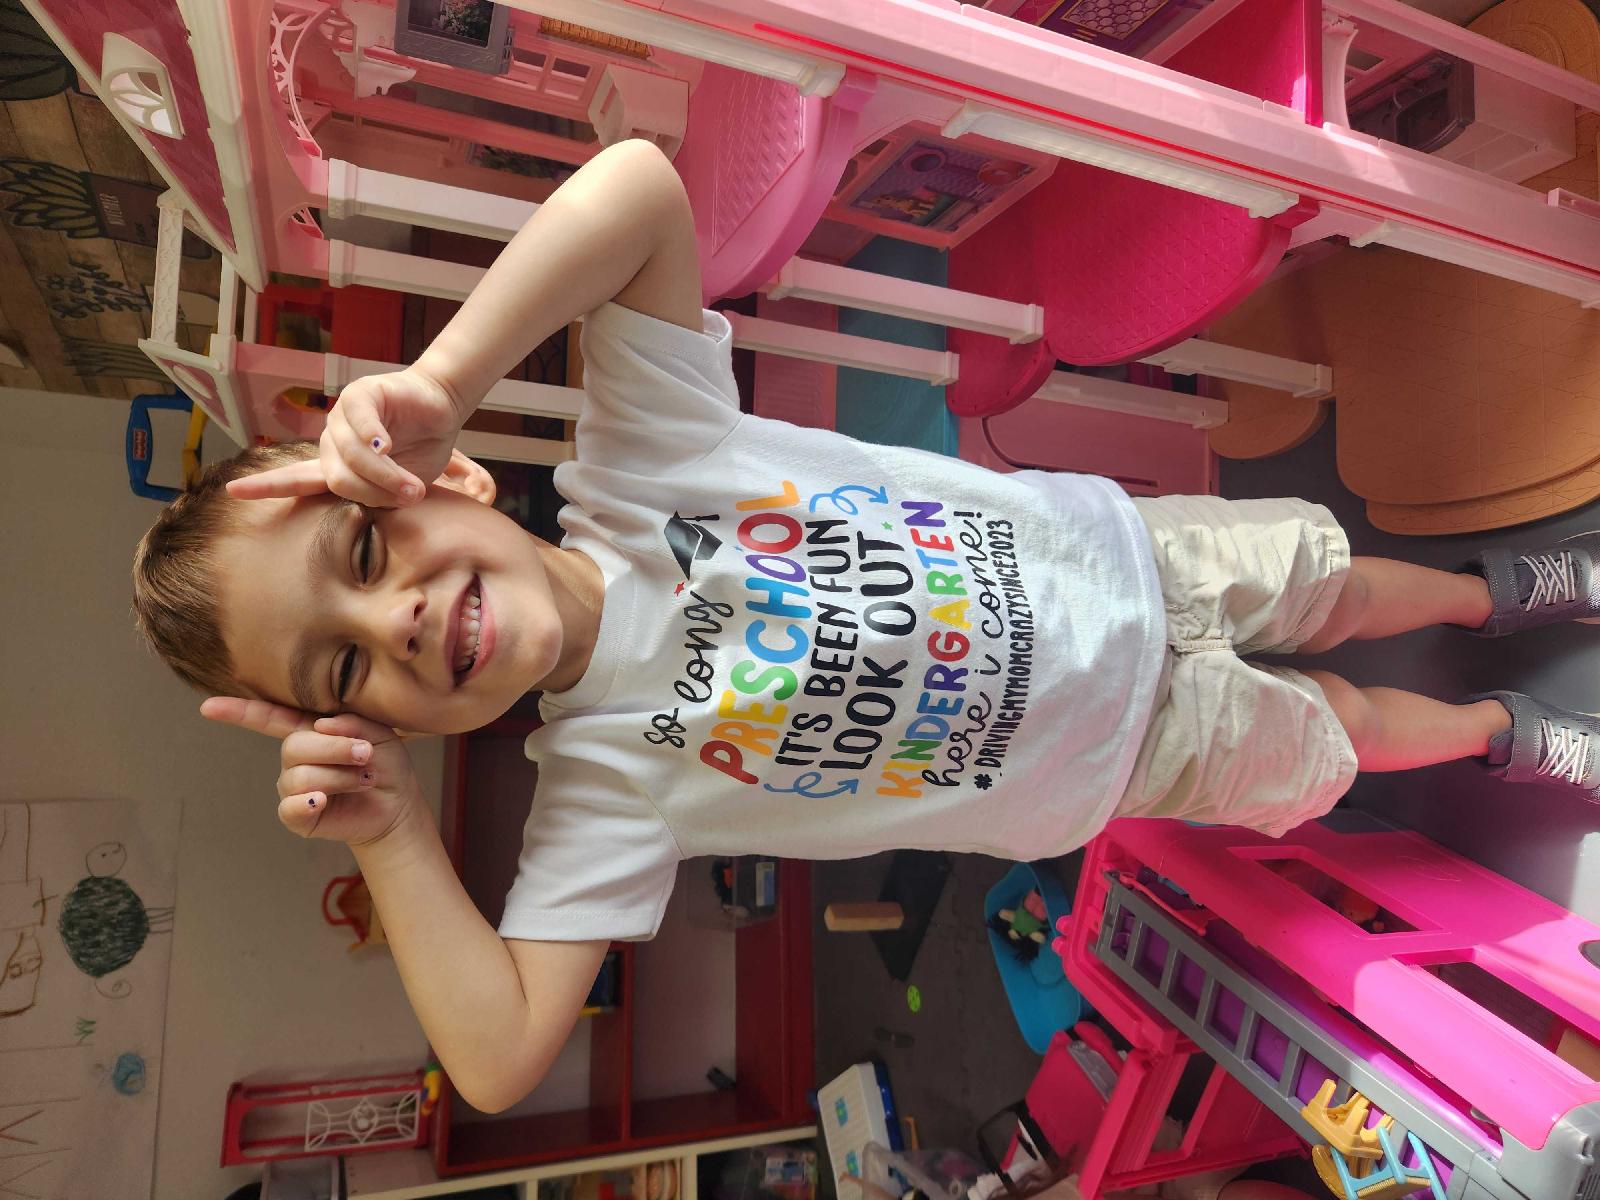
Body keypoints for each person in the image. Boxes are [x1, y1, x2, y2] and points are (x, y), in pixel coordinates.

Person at [131, 139, 1600, 1113]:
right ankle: (1505, 730)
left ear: (443, 479)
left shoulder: (639, 464)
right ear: (371, 721)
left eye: (365, 549)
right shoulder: (603, 790)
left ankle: (1495, 592)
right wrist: (391, 831)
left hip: (1125, 562)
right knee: (1343, 730)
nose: (392, 620)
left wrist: (445, 380)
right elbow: (501, 1058)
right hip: (1114, 761)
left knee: (1338, 584)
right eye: (343, 663)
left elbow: (640, 189)